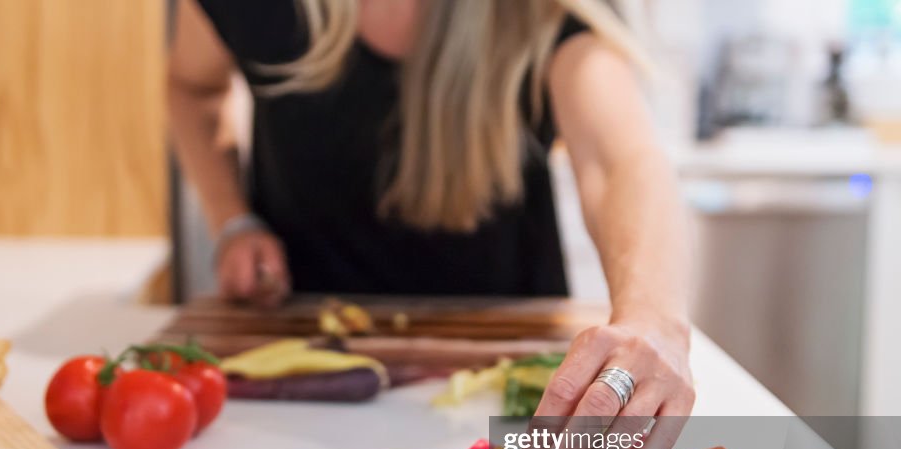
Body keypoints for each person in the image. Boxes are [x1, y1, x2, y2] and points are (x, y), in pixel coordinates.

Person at [167, 0, 695, 426]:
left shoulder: (543, 11)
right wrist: (232, 219)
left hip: (499, 394)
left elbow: (620, 160)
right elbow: (192, 87)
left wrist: (654, 320)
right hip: (295, 377)